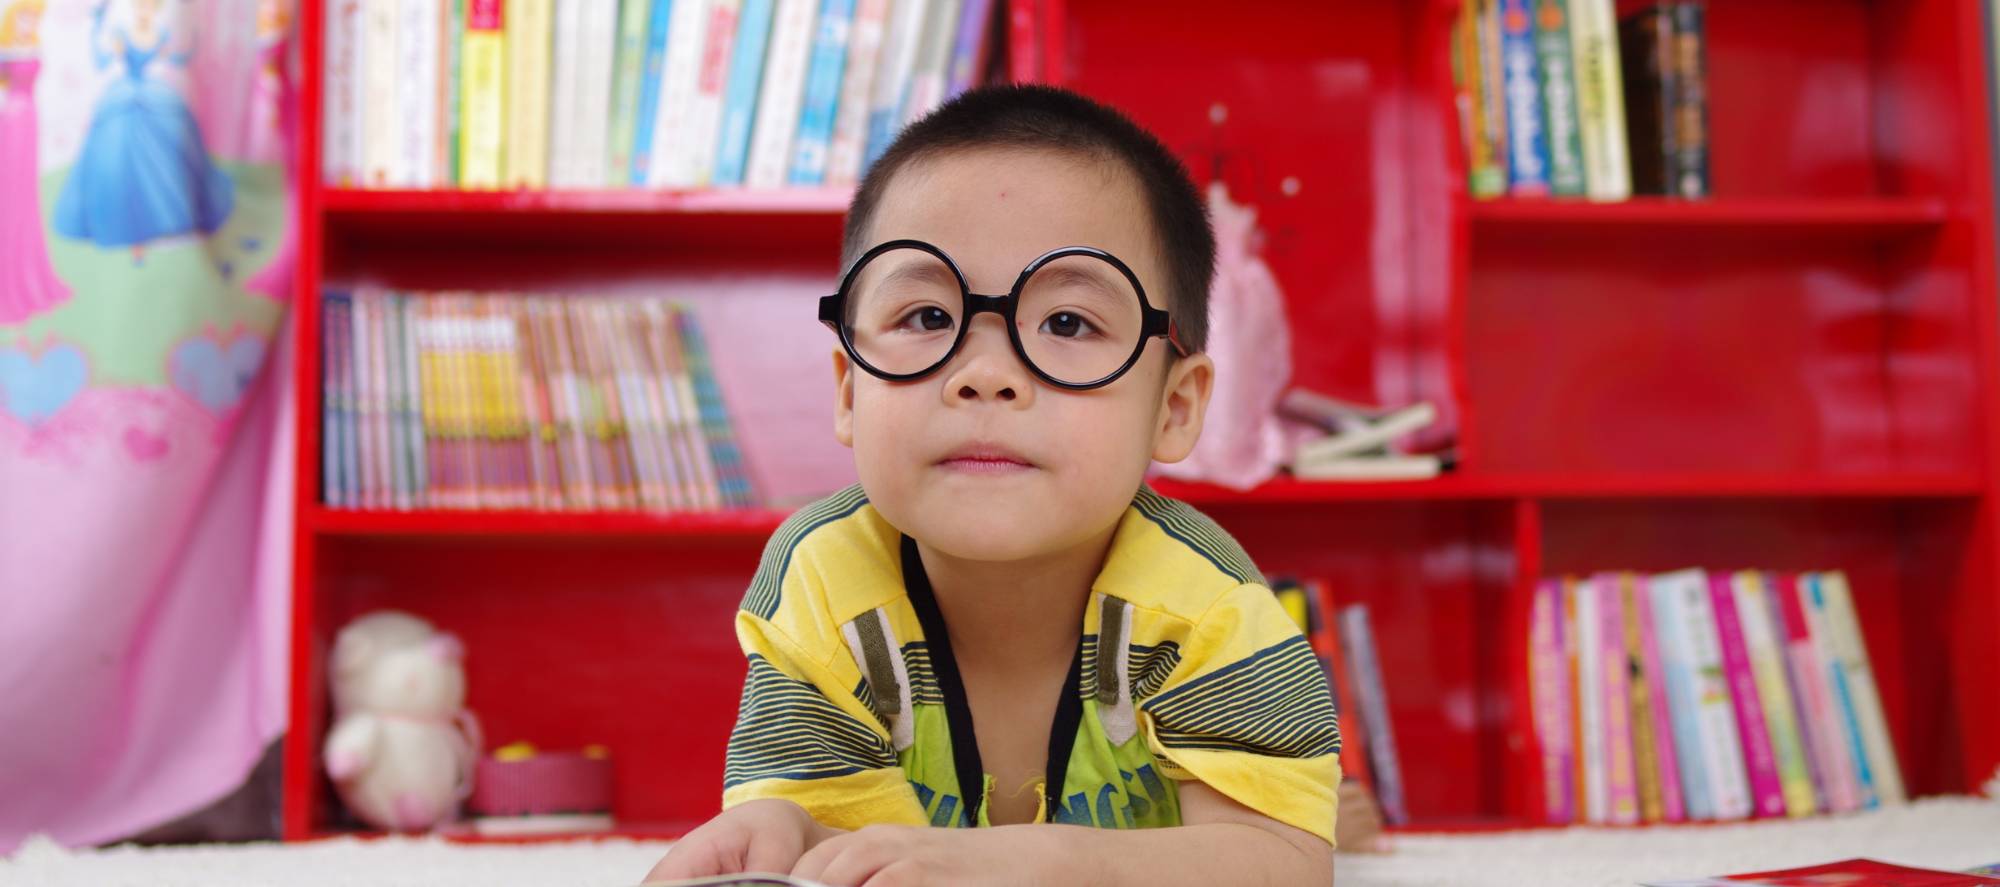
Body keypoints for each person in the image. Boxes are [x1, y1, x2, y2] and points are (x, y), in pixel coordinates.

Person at [649, 84, 1340, 886]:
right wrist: (786, 826)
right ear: (847, 390)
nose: (985, 376)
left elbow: (1284, 862)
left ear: (1174, 407)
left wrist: (1042, 863)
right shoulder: (823, 583)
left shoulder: (1205, 601)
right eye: (928, 318)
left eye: (1068, 323)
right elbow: (853, 843)